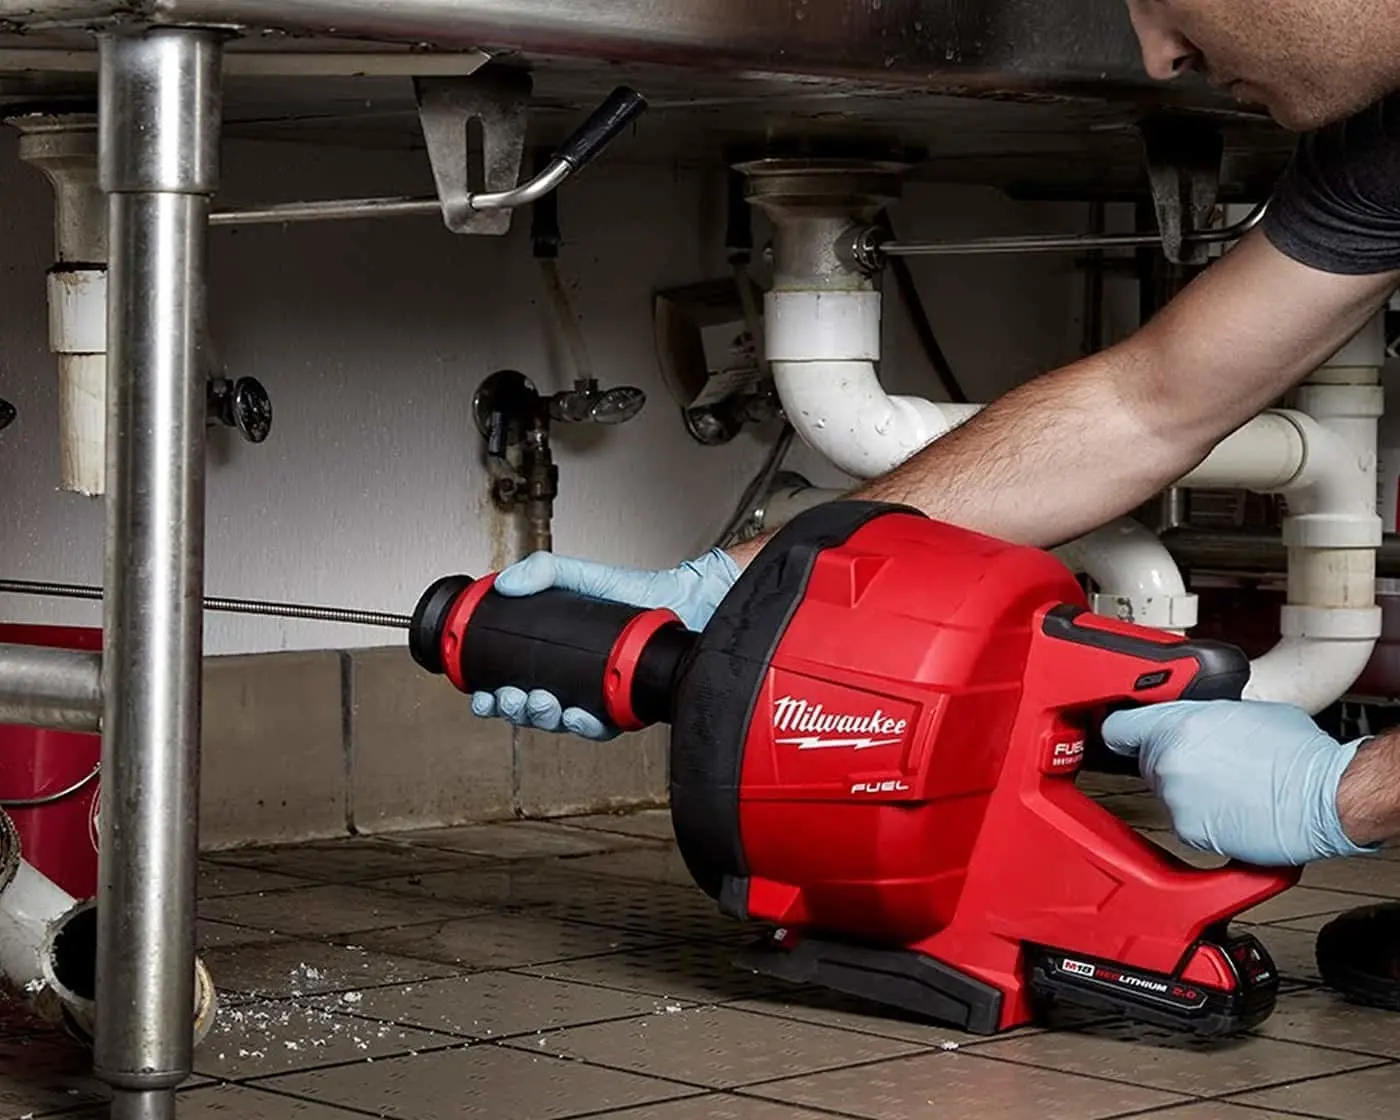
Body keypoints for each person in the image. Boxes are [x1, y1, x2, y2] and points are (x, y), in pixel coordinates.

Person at [471, 0, 1400, 868]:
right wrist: (748, 587)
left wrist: (1354, 794)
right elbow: (1147, 403)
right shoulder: (1378, 150)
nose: (1160, 56)